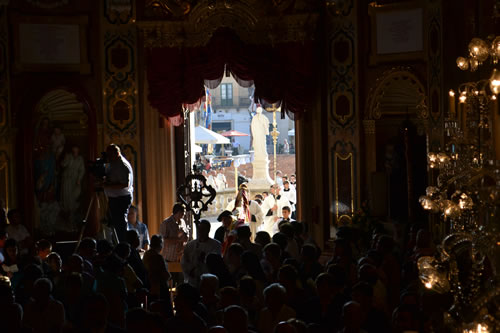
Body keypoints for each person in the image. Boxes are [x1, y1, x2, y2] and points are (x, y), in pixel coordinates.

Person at [103, 144, 134, 242]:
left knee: (120, 224)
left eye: (110, 155)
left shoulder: (122, 165)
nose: (109, 157)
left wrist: (107, 186)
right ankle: (116, 242)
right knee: (113, 223)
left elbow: (125, 184)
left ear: (117, 153)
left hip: (121, 198)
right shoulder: (113, 163)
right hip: (114, 198)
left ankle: (123, 243)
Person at [181, 220, 222, 287]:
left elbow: (216, 263)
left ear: (208, 230)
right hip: (192, 280)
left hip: (208, 280)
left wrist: (204, 259)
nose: (200, 231)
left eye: (203, 229)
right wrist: (191, 271)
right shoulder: (190, 245)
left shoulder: (216, 245)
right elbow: (184, 261)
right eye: (199, 229)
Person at [60, 145, 85, 224]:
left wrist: (79, 179)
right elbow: (63, 164)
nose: (75, 150)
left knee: (74, 197)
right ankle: (67, 217)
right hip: (67, 179)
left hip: (75, 180)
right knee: (66, 197)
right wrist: (67, 159)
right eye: (74, 148)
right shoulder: (68, 156)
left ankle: (72, 218)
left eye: (76, 148)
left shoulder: (80, 159)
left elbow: (82, 170)